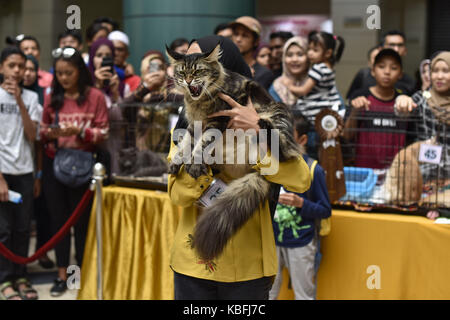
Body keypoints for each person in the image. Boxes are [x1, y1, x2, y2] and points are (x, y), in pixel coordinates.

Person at [168, 35, 311, 300]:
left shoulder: (264, 109)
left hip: (250, 265)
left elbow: (301, 179)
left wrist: (258, 130)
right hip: (195, 262)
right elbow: (178, 195)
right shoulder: (185, 122)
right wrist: (206, 151)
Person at [40, 47, 108, 297]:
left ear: (80, 71)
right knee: (59, 223)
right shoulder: (52, 97)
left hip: (85, 164)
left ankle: (80, 273)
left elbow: (103, 132)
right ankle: (61, 275)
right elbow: (43, 131)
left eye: (68, 72)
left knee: (81, 224)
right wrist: (57, 132)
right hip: (55, 164)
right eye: (59, 73)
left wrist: (79, 132)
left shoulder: (96, 97)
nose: (63, 78)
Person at [269, 113, 331, 300]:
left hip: (301, 242)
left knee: (304, 294)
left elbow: (325, 210)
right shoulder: (270, 164)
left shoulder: (314, 169)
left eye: (287, 133)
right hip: (271, 241)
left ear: (302, 139)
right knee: (266, 294)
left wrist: (301, 203)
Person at [0, 46, 41, 300]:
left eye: (22, 66)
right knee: (3, 229)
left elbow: (32, 135)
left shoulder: (31, 98)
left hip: (25, 171)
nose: (17, 70)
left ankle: (21, 275)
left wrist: (19, 101)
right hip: (2, 172)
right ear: (1, 67)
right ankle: (5, 280)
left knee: (23, 228)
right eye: (12, 65)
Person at [394, 51, 450, 220]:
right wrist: (401, 100)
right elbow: (401, 111)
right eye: (434, 70)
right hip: (423, 175)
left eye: (446, 71)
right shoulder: (422, 98)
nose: (439, 76)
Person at [344, 48, 407, 169]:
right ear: (373, 71)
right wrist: (355, 111)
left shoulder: (403, 101)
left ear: (400, 74)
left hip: (395, 172)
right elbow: (346, 136)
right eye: (381, 67)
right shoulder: (360, 96)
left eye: (393, 68)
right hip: (364, 171)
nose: (387, 72)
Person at [287, 31, 345, 158]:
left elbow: (303, 90)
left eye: (315, 50)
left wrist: (289, 86)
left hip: (315, 121)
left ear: (328, 53)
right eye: (309, 49)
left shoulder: (318, 69)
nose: (310, 53)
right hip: (323, 120)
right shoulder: (328, 67)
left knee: (313, 155)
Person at [23, 54, 55, 270]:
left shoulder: (43, 95)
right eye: (20, 68)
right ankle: (16, 263)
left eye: (31, 69)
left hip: (42, 160)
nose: (25, 73)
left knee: (44, 211)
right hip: (15, 164)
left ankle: (42, 253)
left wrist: (40, 173)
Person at [122, 50, 183, 152]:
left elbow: (187, 101)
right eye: (150, 68)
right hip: (143, 154)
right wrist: (146, 88)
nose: (155, 72)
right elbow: (122, 109)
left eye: (160, 67)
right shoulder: (138, 91)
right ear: (144, 70)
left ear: (165, 69)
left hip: (169, 151)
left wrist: (161, 95)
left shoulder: (175, 90)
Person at [89, 37, 130, 175]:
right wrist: (97, 88)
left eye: (108, 56)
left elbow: (126, 120)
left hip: (117, 148)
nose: (103, 60)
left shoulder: (123, 87)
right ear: (92, 58)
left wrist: (115, 93)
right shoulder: (86, 88)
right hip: (93, 150)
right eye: (99, 55)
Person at [230, 16, 275, 90]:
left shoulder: (263, 74)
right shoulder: (226, 67)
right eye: (236, 34)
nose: (238, 39)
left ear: (256, 41)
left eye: (245, 35)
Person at [269, 36, 309, 106]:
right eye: (289, 55)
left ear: (308, 58)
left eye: (300, 54)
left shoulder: (317, 82)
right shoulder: (277, 86)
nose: (294, 59)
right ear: (284, 59)